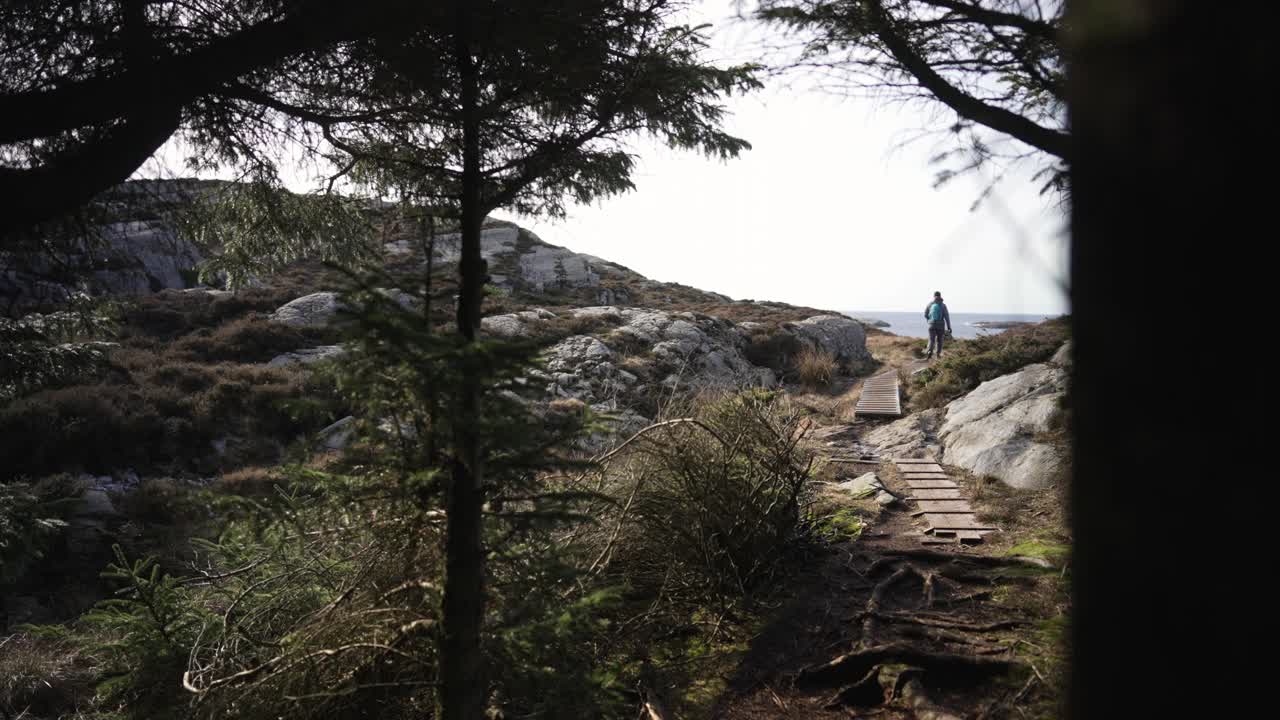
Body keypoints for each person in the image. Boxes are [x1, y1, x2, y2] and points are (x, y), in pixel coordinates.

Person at [924, 291, 952, 359]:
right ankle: (938, 354)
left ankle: (930, 351)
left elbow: (925, 315)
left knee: (931, 339)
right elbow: (946, 316)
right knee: (940, 340)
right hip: (940, 325)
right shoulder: (943, 305)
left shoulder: (929, 304)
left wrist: (929, 321)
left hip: (931, 324)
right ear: (940, 296)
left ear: (934, 296)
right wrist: (949, 327)